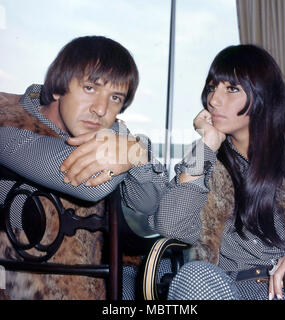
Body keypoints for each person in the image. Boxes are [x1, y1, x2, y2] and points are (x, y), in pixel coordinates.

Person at [0, 35, 168, 299]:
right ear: (57, 88)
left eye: (115, 97)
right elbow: (90, 184)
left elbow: (151, 204)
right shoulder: (8, 124)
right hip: (22, 287)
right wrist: (129, 148)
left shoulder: (113, 137)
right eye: (90, 88)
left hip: (95, 283)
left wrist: (137, 149)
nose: (101, 109)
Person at [155, 44, 285, 300]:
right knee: (193, 275)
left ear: (262, 94)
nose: (213, 100)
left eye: (231, 89)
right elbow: (171, 226)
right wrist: (207, 145)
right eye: (212, 87)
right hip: (225, 288)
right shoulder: (205, 158)